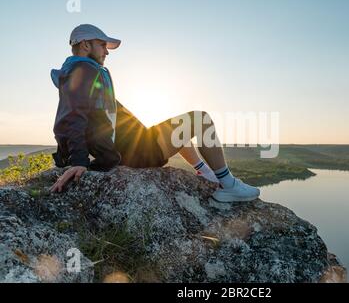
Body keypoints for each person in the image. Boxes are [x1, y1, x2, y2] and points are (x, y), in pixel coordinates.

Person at [49, 24, 260, 202]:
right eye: (102, 45)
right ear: (86, 45)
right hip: (139, 151)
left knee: (177, 129)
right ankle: (228, 184)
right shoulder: (82, 71)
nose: (107, 51)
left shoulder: (83, 71)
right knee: (201, 119)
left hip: (136, 144)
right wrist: (78, 160)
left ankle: (207, 174)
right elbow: (72, 117)